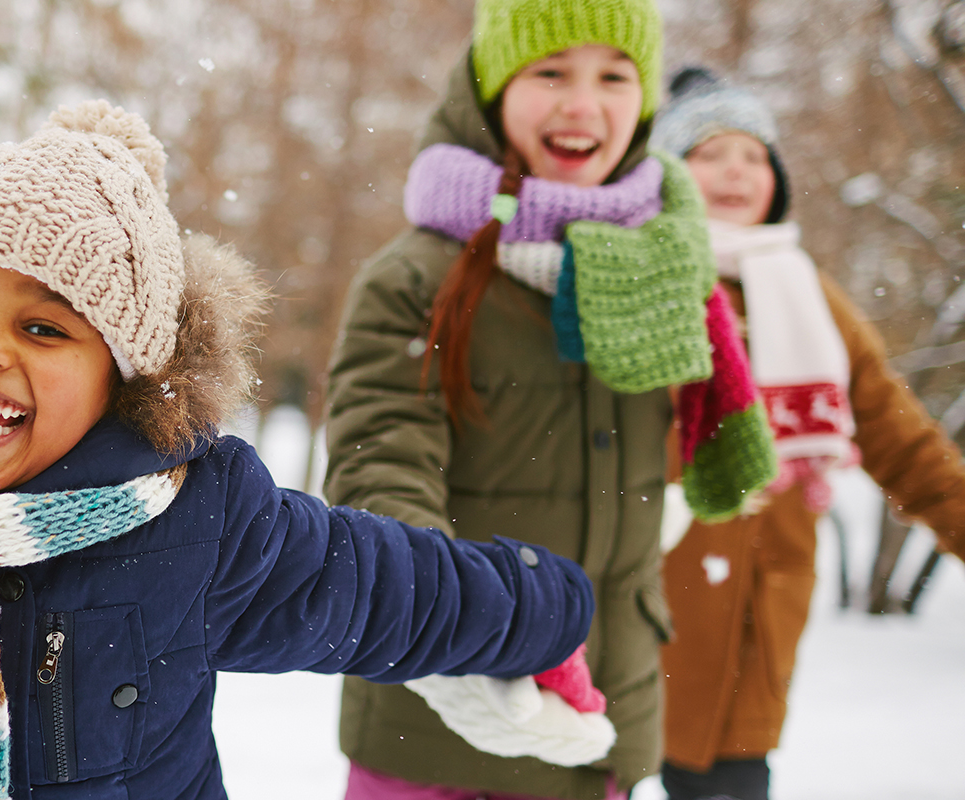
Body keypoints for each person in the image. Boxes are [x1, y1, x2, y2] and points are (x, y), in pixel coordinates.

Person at [0, 100, 599, 800]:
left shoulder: (196, 520)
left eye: (45, 327)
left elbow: (383, 589)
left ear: (121, 377)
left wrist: (546, 609)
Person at [322, 1, 781, 798]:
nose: (582, 103)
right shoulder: (416, 280)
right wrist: (468, 633)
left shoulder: (665, 264)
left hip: (605, 718)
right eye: (550, 72)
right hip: (439, 729)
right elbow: (379, 478)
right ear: (492, 90)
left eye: (613, 75)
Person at [652, 67, 965, 800]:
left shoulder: (809, 298)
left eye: (755, 155)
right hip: (643, 609)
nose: (736, 170)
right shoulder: (635, 281)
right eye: (709, 153)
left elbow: (903, 443)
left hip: (757, 618)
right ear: (667, 172)